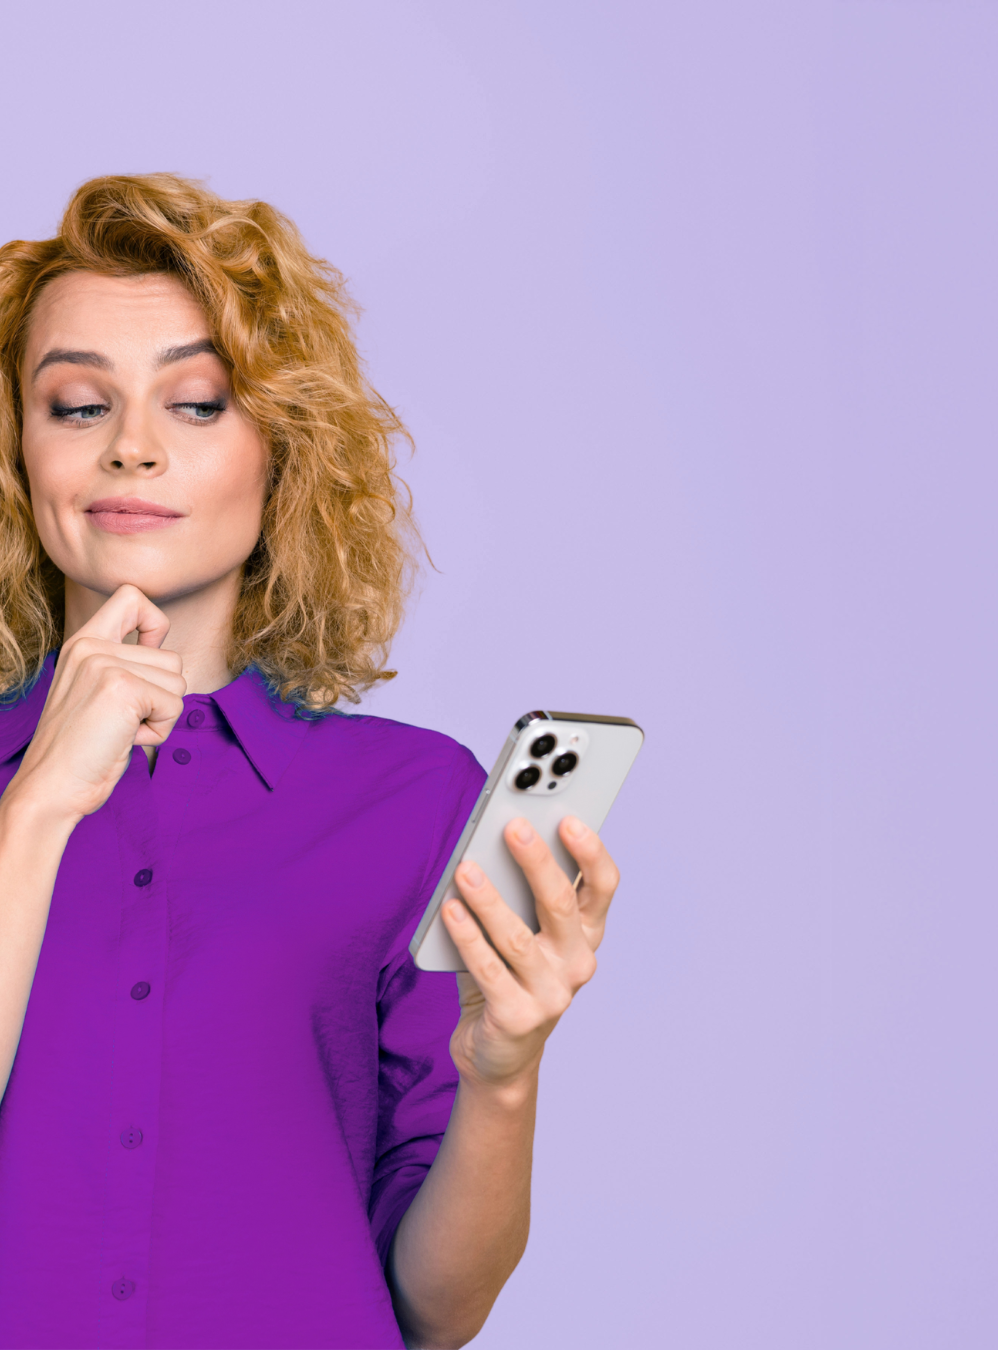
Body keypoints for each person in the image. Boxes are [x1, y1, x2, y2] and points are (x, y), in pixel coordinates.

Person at [0, 175, 620, 1350]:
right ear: (20, 453)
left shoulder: (414, 805)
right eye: (77, 404)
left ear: (280, 450)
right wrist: (34, 811)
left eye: (195, 403)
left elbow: (437, 1312)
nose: (132, 449)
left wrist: (501, 1075)